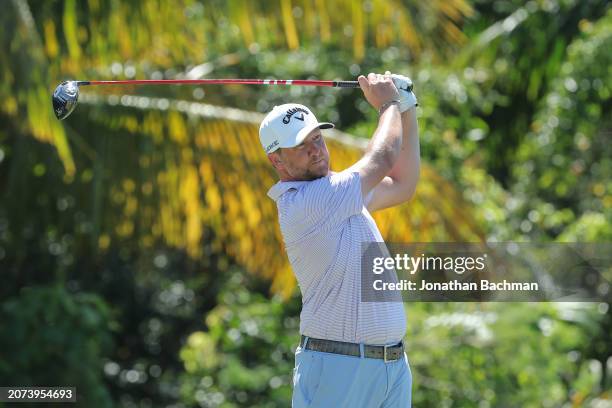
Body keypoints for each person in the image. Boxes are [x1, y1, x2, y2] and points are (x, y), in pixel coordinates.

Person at [259, 71, 419, 407]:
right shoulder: (307, 202)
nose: (314, 150)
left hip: (390, 367)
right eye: (300, 146)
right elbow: (383, 158)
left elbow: (403, 183)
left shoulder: (341, 194)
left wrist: (406, 106)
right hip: (338, 368)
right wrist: (388, 102)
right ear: (277, 160)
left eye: (316, 138)